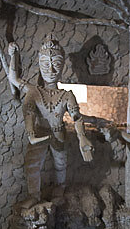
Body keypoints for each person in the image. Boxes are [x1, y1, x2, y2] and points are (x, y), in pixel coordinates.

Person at [6, 36, 94, 205]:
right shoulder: (33, 91)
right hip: (39, 133)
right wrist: (14, 57)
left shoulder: (67, 95)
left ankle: (60, 187)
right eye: (46, 64)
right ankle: (34, 195)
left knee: (60, 163)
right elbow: (14, 79)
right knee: (32, 165)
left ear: (62, 68)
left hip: (58, 132)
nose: (51, 69)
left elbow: (76, 117)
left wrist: (82, 137)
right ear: (40, 65)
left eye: (56, 64)